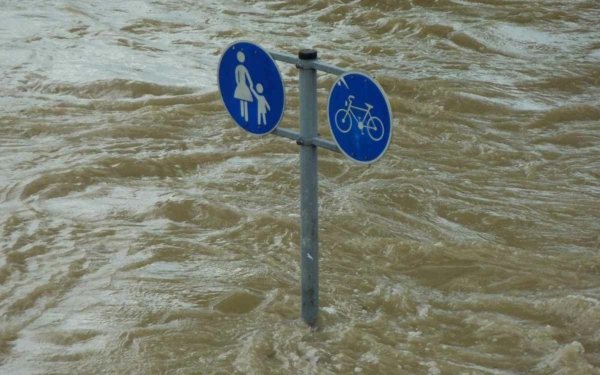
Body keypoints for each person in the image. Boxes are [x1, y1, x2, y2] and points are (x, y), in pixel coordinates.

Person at [234, 52, 254, 122]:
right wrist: (239, 84)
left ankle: (245, 117)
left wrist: (250, 83)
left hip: (242, 85)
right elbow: (238, 77)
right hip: (242, 85)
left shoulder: (239, 67)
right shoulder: (239, 68)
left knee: (244, 99)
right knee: (243, 99)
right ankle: (243, 116)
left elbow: (247, 76)